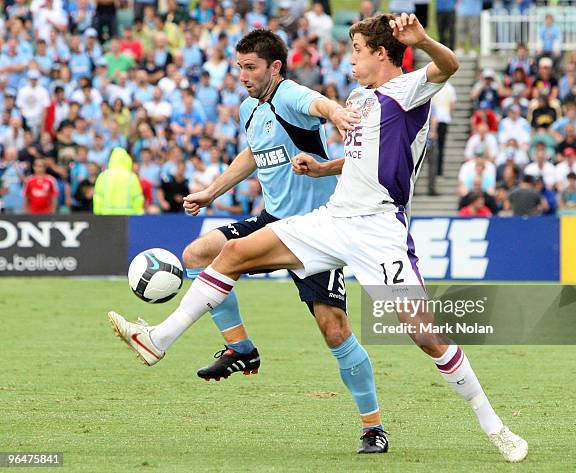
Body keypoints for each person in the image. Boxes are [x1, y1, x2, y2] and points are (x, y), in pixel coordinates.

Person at [109, 14, 527, 462]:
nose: (350, 60)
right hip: (332, 218)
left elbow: (449, 66)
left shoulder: (406, 90)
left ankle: (493, 425)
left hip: (379, 230)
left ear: (381, 54)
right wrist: (323, 166)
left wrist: (422, 40)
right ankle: (159, 340)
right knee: (231, 253)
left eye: (357, 51)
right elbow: (358, 160)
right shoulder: (358, 99)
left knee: (426, 336)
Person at [108, 29, 387, 454]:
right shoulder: (249, 109)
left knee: (335, 330)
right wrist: (211, 192)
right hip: (273, 221)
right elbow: (254, 155)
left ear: (275, 67)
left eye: (251, 67)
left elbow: (318, 103)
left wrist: (336, 115)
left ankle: (373, 427)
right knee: (199, 253)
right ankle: (240, 347)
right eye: (239, 66)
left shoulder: (289, 93)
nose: (242, 75)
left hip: (316, 231)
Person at [93, 147, 144, 215]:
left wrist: (98, 212)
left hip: (106, 214)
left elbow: (98, 196)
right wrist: (138, 212)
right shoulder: (131, 177)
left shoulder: (103, 176)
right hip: (128, 214)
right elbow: (137, 197)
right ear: (127, 159)